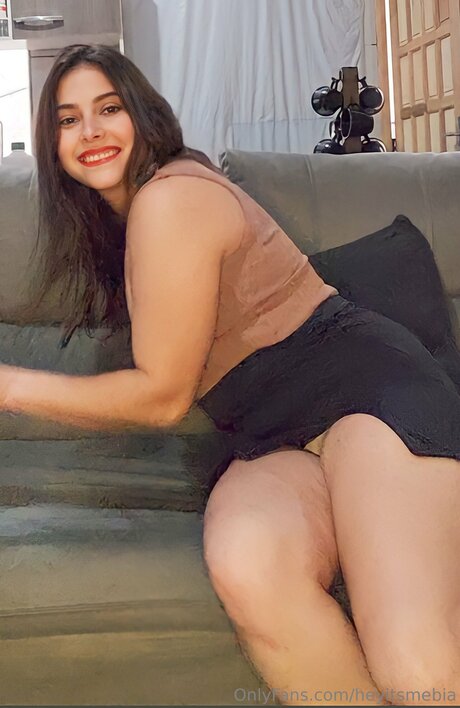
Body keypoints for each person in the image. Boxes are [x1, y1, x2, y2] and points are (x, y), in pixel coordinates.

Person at [0, 43, 460, 707]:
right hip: (270, 434)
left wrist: (9, 387)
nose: (90, 131)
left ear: (144, 114)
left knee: (415, 666)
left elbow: (162, 397)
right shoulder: (119, 219)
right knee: (251, 567)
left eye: (108, 108)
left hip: (368, 397)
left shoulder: (172, 199)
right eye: (68, 120)